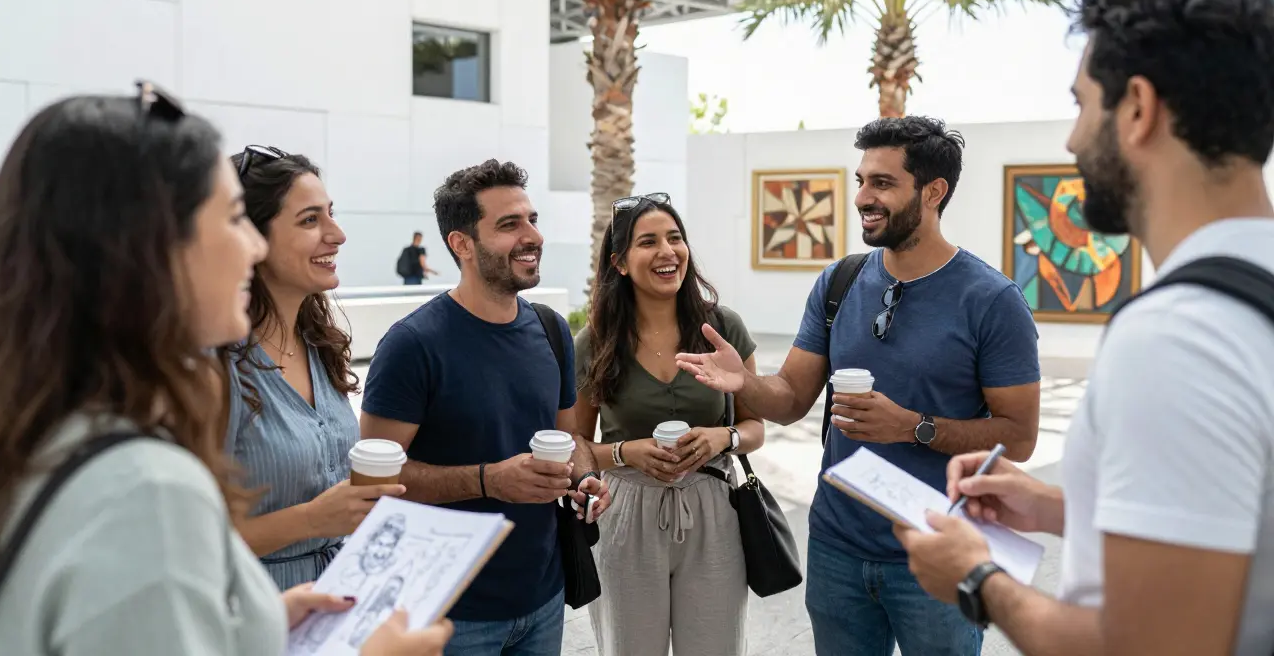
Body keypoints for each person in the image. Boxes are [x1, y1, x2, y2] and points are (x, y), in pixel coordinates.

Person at [894, 0, 1274, 656]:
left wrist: (976, 577)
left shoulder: (1177, 337)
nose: (1071, 139)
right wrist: (1060, 510)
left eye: (1080, 104)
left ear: (1136, 108)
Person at [0, 85, 451, 655]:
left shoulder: (51, 425)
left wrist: (255, 626)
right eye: (233, 219)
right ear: (155, 248)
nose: (251, 250)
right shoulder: (147, 488)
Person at [677, 116, 1041, 655]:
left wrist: (912, 427)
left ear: (934, 192)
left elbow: (1020, 437)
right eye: (861, 181)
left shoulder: (991, 300)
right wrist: (743, 384)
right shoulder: (840, 282)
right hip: (837, 550)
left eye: (883, 184)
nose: (863, 198)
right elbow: (791, 399)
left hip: (937, 553)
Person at [358, 158, 612, 656]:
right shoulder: (412, 345)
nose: (532, 235)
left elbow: (571, 438)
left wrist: (583, 480)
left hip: (544, 596)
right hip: (447, 612)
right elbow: (375, 487)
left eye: (532, 219)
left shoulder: (551, 329)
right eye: (509, 224)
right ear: (462, 245)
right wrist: (488, 480)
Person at [574, 193, 765, 656]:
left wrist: (725, 437)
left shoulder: (723, 329)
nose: (667, 251)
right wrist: (625, 453)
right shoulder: (594, 340)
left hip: (714, 509)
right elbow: (575, 443)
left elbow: (756, 427)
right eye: (648, 242)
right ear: (620, 263)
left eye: (675, 238)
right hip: (624, 510)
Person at [223, 146, 405, 591]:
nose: (337, 234)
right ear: (251, 238)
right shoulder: (216, 366)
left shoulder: (319, 346)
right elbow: (188, 544)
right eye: (310, 220)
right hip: (257, 618)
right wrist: (310, 519)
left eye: (330, 214)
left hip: (342, 605)